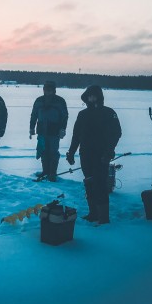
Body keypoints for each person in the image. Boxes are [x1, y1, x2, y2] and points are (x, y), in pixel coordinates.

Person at [66, 85, 121, 224]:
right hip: (85, 154)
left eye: (94, 95)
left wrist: (109, 151)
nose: (91, 98)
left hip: (102, 155)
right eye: (89, 95)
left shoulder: (109, 113)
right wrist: (71, 152)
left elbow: (116, 133)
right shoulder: (82, 114)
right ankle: (93, 213)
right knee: (89, 182)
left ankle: (103, 218)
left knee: (100, 184)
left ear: (99, 96)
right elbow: (76, 136)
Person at [29, 81, 68, 181]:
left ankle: (52, 173)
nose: (48, 91)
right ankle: (45, 171)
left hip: (54, 132)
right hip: (41, 131)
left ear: (54, 90)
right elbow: (34, 115)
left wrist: (63, 128)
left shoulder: (60, 101)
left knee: (53, 152)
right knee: (43, 151)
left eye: (50, 89)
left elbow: (64, 116)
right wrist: (31, 127)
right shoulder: (39, 100)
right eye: (46, 89)